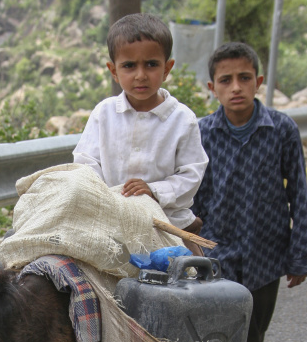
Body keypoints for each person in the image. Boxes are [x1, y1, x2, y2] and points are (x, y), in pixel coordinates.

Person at [192, 42, 307, 342]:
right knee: (214, 326)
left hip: (265, 253)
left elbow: (299, 196)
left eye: (244, 78)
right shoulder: (202, 132)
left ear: (258, 81)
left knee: (254, 332)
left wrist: (300, 255)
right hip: (216, 251)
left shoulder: (281, 130)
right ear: (212, 88)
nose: (236, 87)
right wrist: (190, 248)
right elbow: (192, 195)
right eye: (225, 80)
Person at [73, 12, 208, 236]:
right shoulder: (103, 114)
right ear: (114, 71)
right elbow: (86, 163)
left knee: (189, 268)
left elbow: (191, 174)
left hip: (168, 223)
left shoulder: (182, 119)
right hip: (112, 222)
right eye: (129, 66)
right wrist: (105, 198)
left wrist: (155, 191)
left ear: (167, 68)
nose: (141, 75)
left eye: (151, 64)